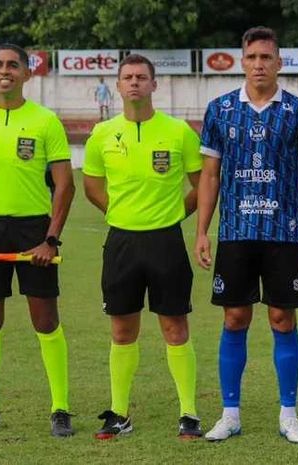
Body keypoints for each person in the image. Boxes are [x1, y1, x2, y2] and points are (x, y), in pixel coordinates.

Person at [194, 26, 298, 445]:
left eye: (266, 57)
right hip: (235, 232)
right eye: (252, 57)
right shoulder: (219, 110)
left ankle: (289, 414)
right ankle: (230, 414)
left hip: (283, 233)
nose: (259, 64)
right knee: (234, 318)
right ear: (242, 62)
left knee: (282, 318)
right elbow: (209, 176)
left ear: (279, 63)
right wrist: (202, 231)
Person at [83, 54, 203, 440]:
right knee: (122, 330)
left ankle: (189, 413)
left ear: (154, 84)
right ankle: (119, 414)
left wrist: (175, 214)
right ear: (117, 86)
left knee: (175, 327)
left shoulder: (179, 132)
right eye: (127, 77)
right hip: (121, 241)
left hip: (166, 240)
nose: (134, 82)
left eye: (141, 77)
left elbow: (202, 184)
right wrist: (118, 212)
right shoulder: (102, 134)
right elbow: (91, 185)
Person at [0, 43, 75, 437]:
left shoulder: (46, 121)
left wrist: (50, 240)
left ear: (27, 73)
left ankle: (60, 409)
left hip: (34, 230)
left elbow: (65, 185)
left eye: (13, 65)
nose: (4, 71)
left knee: (45, 320)